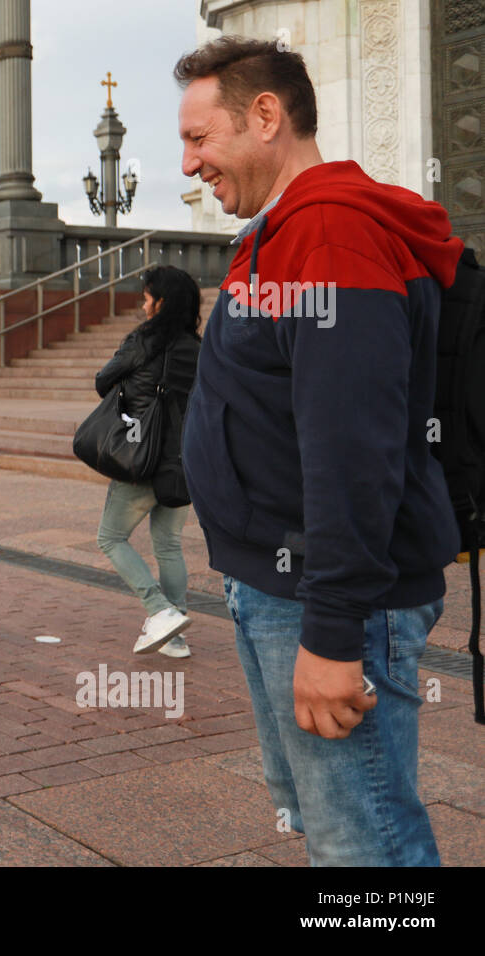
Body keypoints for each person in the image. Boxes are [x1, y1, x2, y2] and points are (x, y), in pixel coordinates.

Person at [175, 37, 463, 865]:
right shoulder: (285, 234)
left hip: (326, 601)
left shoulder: (330, 234)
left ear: (265, 116)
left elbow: (353, 449)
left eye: (200, 138)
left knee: (363, 841)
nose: (191, 164)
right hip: (283, 587)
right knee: (333, 823)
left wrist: (334, 634)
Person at [93, 265, 202, 658]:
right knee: (169, 545)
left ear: (161, 301)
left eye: (147, 296)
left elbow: (104, 381)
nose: (143, 303)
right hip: (184, 461)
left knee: (110, 537)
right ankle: (176, 636)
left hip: (141, 458)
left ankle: (160, 611)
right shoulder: (199, 347)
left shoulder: (143, 341)